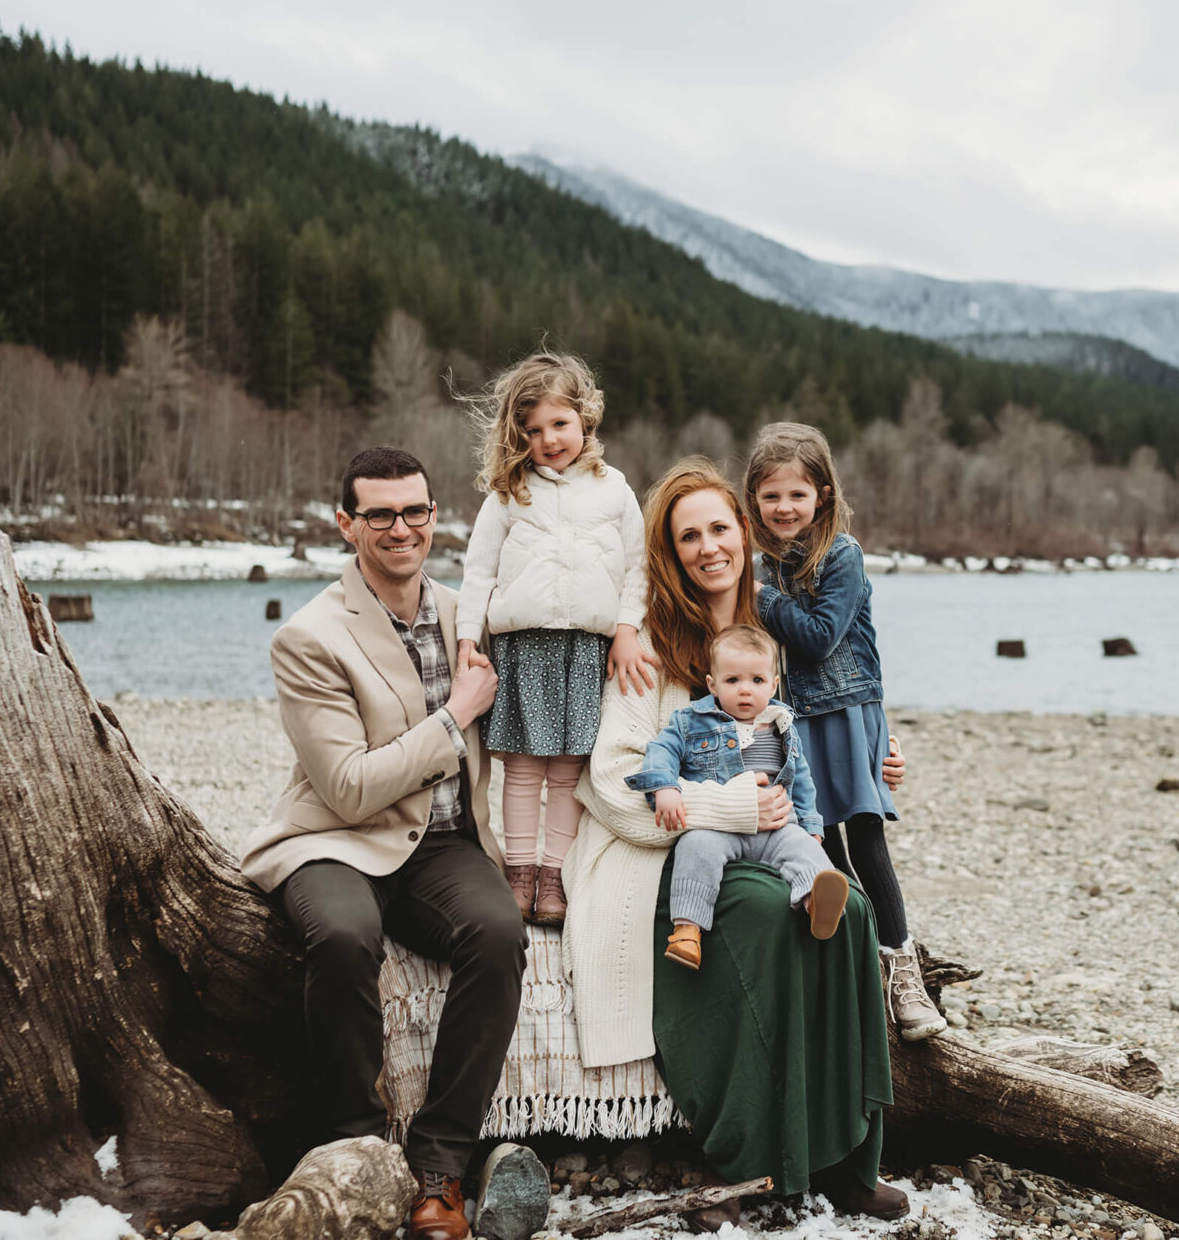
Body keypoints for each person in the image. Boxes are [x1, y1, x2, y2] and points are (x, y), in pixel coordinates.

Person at [562, 458, 909, 1230]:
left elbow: (835, 712)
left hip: (770, 836)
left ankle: (852, 1158)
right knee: (764, 912)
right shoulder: (650, 638)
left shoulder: (776, 628)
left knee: (848, 906)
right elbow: (613, 780)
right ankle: (766, 1153)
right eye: (690, 535)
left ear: (744, 532)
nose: (708, 546)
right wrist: (729, 805)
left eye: (720, 527)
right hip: (670, 853)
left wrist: (883, 747)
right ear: (669, 548)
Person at [238, 446, 524, 1240]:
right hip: (333, 839)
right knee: (341, 934)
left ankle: (440, 1168)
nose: (402, 528)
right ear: (346, 523)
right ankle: (354, 1146)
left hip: (439, 844)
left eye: (416, 512)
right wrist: (454, 714)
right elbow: (350, 788)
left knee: (499, 933)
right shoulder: (309, 636)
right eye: (381, 515)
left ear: (435, 516)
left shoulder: (467, 613)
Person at [744, 422, 947, 1041]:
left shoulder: (843, 555)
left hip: (847, 713)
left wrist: (763, 599)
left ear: (823, 495)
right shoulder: (757, 564)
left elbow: (819, 636)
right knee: (818, 849)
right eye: (772, 496)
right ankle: (859, 965)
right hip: (791, 722)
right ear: (753, 499)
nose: (785, 508)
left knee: (865, 842)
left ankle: (904, 972)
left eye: (797, 495)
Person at [457, 351, 652, 927]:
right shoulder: (507, 492)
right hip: (523, 645)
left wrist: (626, 630)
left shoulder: (615, 490)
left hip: (586, 648)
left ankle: (554, 877)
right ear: (518, 435)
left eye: (559, 424)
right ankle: (519, 874)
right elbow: (478, 571)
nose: (549, 439)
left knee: (569, 767)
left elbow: (637, 569)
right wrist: (470, 637)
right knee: (521, 766)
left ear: (585, 419)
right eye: (533, 430)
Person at [626, 623, 848, 969]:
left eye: (757, 681)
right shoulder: (692, 721)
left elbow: (802, 780)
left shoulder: (782, 726)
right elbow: (662, 750)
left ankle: (815, 903)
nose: (745, 691)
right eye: (733, 681)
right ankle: (687, 930)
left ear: (774, 684)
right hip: (719, 828)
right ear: (712, 685)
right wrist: (665, 786)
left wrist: (810, 824)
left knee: (804, 850)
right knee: (695, 848)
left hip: (776, 827)